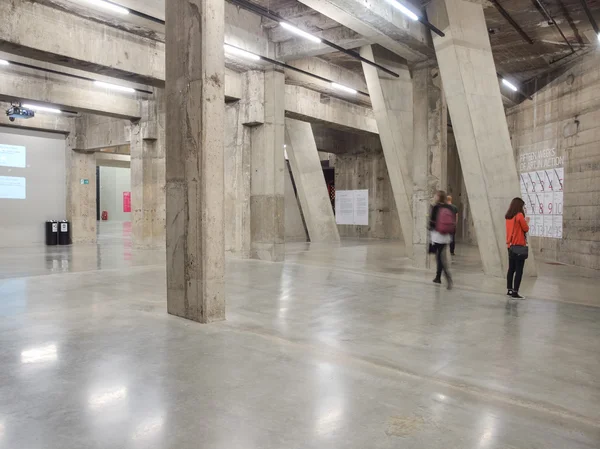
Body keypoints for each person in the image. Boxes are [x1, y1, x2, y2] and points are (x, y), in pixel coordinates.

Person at [429, 190, 455, 289]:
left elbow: (432, 222)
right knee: (440, 256)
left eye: (436, 196)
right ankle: (438, 277)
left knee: (439, 258)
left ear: (438, 197)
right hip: (446, 236)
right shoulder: (449, 207)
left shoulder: (436, 207)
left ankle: (447, 277)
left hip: (437, 235)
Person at [505, 197, 530, 299]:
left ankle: (509, 290)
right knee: (519, 270)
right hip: (519, 246)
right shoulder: (519, 216)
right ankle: (515, 292)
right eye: (523, 206)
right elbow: (526, 228)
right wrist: (526, 221)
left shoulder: (508, 217)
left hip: (510, 246)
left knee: (511, 268)